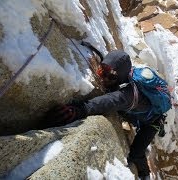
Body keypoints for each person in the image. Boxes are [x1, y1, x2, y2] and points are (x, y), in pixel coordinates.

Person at [46, 50, 166, 179]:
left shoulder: (127, 95)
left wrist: (79, 110)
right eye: (102, 70)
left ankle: (145, 175)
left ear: (119, 75)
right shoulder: (123, 76)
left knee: (136, 154)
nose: (103, 77)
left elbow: (107, 102)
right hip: (138, 114)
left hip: (151, 123)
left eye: (110, 75)